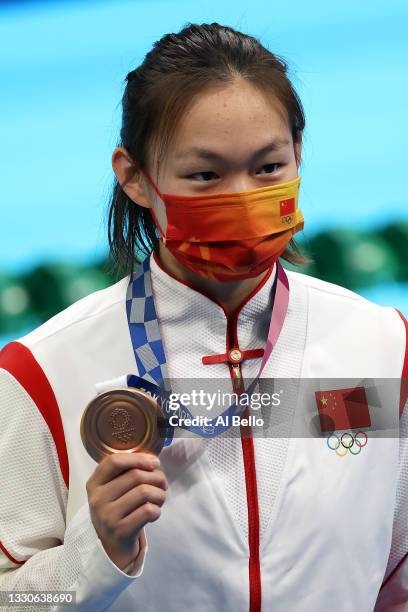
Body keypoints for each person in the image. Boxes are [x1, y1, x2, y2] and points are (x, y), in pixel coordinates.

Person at [0, 22, 407, 612]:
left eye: (268, 168)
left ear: (299, 156)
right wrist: (96, 554)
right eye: (205, 176)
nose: (242, 198)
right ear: (135, 176)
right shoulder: (43, 373)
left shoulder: (382, 348)